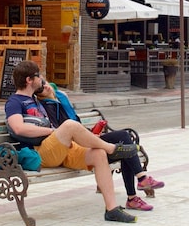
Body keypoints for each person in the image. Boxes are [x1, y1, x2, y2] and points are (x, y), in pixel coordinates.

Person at [5, 60, 140, 223]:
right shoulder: (15, 102)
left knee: (98, 154)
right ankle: (112, 148)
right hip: (41, 151)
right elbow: (18, 128)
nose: (42, 79)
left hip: (61, 149)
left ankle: (111, 210)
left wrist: (51, 94)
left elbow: (60, 99)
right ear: (29, 80)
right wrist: (52, 131)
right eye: (39, 76)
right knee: (69, 126)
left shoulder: (37, 99)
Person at [41, 81, 164, 211]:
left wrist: (91, 134)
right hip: (78, 148)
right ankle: (136, 191)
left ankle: (139, 184)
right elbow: (63, 132)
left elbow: (76, 122)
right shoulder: (47, 106)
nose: (46, 87)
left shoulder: (60, 98)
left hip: (87, 139)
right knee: (123, 147)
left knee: (124, 138)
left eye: (45, 83)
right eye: (41, 88)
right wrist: (89, 138)